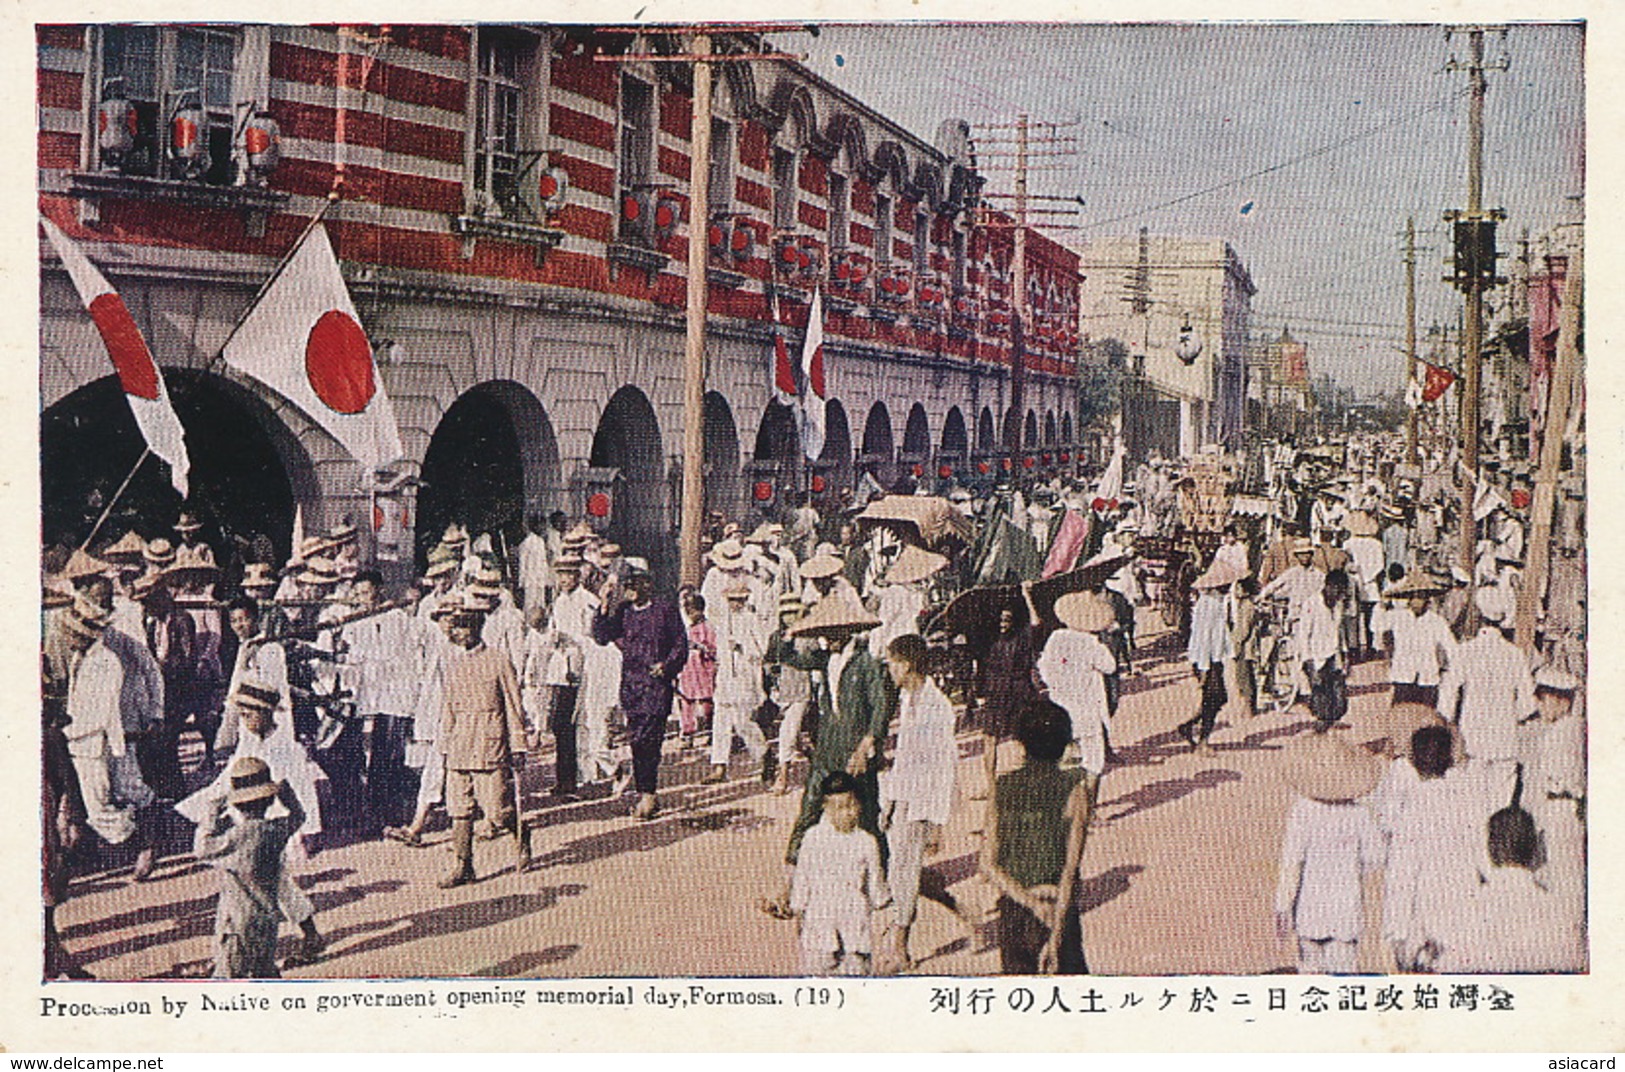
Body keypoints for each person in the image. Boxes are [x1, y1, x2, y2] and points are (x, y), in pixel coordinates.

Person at [763, 590, 895, 919]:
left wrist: (867, 745)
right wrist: (787, 633)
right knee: (808, 813)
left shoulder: (866, 664)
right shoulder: (824, 659)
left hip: (855, 753)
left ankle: (884, 880)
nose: (824, 638)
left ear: (844, 631)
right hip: (827, 751)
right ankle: (787, 888)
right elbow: (789, 658)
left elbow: (880, 709)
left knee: (866, 817)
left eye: (829, 632)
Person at [178, 679, 326, 968]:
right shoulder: (249, 739)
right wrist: (206, 802)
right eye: (241, 716)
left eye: (249, 715)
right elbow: (231, 776)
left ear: (268, 713)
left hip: (270, 825)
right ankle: (234, 950)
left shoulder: (286, 747)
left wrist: (307, 831)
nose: (244, 722)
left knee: (265, 888)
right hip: (246, 823)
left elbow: (302, 790)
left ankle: (240, 952)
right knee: (264, 887)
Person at [981, 699, 1093, 974]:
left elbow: (987, 865)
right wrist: (1054, 938)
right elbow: (1069, 870)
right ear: (1065, 745)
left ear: (1020, 744)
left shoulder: (1002, 788)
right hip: (1058, 907)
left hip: (1014, 910)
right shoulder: (1075, 791)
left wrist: (1030, 903)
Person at [59, 596, 162, 881]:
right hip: (83, 742)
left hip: (103, 739)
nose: (67, 638)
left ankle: (146, 838)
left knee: (114, 801)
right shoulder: (81, 658)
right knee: (98, 802)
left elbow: (102, 714)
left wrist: (153, 714)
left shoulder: (107, 661)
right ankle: (138, 838)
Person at [1374, 724, 1487, 972]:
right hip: (1460, 912)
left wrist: (1396, 932)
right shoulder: (1467, 795)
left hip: (1421, 917)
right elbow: (1482, 855)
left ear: (1414, 762)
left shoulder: (1411, 813)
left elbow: (1401, 878)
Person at [877, 633, 958, 972]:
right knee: (900, 869)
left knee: (904, 872)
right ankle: (953, 908)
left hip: (922, 802)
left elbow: (945, 765)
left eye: (893, 662)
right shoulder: (909, 699)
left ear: (907, 664)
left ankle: (900, 946)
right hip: (904, 797)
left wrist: (937, 822)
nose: (890, 668)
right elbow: (905, 759)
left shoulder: (936, 706)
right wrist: (892, 802)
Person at [1273, 731, 1384, 975]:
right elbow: (1375, 857)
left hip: (1309, 908)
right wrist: (1352, 868)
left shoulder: (1303, 810)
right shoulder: (1360, 814)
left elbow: (1292, 863)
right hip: (1347, 907)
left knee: (1311, 973)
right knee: (1345, 973)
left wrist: (1283, 906)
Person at [437, 596, 530, 887]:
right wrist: (443, 746)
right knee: (459, 809)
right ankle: (463, 865)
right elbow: (448, 709)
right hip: (459, 744)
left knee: (497, 811)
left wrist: (518, 746)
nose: (459, 633)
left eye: (464, 626)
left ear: (478, 626)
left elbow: (514, 706)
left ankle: (521, 835)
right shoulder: (452, 665)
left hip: (490, 742)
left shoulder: (498, 660)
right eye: (455, 627)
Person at [1435, 802, 1585, 973]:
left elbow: (1450, 968)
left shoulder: (1466, 910)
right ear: (1535, 848)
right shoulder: (1559, 912)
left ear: (1491, 848)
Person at [592, 563, 688, 820]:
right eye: (627, 585)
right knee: (636, 740)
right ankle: (646, 791)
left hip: (656, 686)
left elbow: (680, 644)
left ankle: (648, 794)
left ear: (648, 584)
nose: (629, 589)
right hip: (632, 687)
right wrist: (603, 605)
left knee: (649, 738)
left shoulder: (665, 610)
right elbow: (601, 636)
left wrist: (666, 667)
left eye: (634, 584)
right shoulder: (624, 612)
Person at [193, 758, 304, 978]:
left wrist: (212, 812)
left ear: (237, 803)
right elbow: (298, 816)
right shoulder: (274, 830)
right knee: (265, 972)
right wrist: (285, 792)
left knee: (228, 977)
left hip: (237, 923)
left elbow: (201, 848)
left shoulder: (235, 838)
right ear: (270, 800)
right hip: (267, 920)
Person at [338, 570, 421, 829]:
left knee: (394, 753)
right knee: (372, 754)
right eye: (359, 594)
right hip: (369, 697)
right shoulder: (354, 623)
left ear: (380, 590)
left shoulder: (398, 618)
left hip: (395, 694)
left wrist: (411, 695)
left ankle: (394, 810)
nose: (365, 598)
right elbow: (351, 660)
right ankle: (374, 812)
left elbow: (411, 657)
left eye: (368, 592)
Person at [788, 771, 889, 977]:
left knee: (856, 974)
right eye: (840, 807)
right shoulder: (813, 838)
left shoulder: (866, 841)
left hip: (854, 916)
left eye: (852, 805)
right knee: (817, 972)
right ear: (826, 806)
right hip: (820, 917)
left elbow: (875, 883)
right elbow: (802, 877)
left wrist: (880, 904)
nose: (848, 813)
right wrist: (798, 908)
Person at [1035, 591, 1117, 778]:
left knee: (1062, 754)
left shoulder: (1056, 637)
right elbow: (1110, 667)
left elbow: (1044, 667)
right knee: (1093, 760)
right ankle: (1088, 800)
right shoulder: (1091, 643)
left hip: (1060, 703)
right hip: (1086, 705)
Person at [706, 584, 772, 784]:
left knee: (742, 722)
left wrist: (743, 647)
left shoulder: (752, 619)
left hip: (745, 676)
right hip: (726, 677)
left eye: (739, 600)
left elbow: (762, 649)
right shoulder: (722, 622)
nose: (735, 604)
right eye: (732, 600)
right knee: (721, 721)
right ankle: (719, 765)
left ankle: (764, 754)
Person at [974, 602, 1037, 794]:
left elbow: (1035, 623)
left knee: (1021, 738)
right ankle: (991, 786)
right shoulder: (988, 640)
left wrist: (1027, 597)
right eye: (1000, 619)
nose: (1003, 623)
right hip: (996, 692)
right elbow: (981, 669)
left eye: (1007, 619)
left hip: (1017, 691)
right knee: (989, 739)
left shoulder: (1021, 637)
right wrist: (979, 694)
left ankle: (1027, 781)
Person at [1375, 573, 1455, 708]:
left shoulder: (1436, 621)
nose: (1416, 601)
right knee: (1401, 717)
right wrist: (1382, 606)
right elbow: (1378, 627)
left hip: (1427, 677)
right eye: (1413, 597)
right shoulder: (1398, 616)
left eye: (1421, 597)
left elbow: (1451, 647)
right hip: (1403, 674)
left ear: (1427, 599)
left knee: (1427, 718)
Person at [1180, 562, 1236, 749]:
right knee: (1214, 698)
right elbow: (1203, 638)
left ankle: (1190, 727)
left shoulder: (1219, 601)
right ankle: (1203, 740)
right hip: (1206, 659)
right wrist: (1203, 669)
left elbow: (1222, 633)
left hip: (1215, 658)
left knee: (1218, 698)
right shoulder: (1208, 604)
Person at [768, 592, 813, 796]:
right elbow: (768, 661)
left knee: (787, 732)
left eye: (793, 613)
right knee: (794, 733)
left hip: (802, 690)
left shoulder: (808, 636)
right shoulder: (776, 636)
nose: (790, 617)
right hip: (782, 691)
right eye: (786, 613)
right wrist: (772, 673)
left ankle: (783, 775)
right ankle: (811, 756)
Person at [675, 591, 717, 753]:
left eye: (694, 610)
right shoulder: (686, 629)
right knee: (686, 702)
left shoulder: (708, 628)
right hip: (688, 670)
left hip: (703, 668)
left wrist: (701, 648)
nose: (691, 614)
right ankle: (687, 733)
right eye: (688, 611)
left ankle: (710, 729)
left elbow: (714, 649)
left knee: (707, 702)